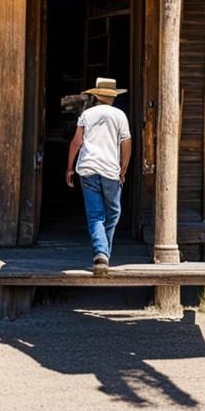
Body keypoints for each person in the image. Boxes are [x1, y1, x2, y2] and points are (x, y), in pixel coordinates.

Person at [65, 77, 131, 273]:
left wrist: (70, 167)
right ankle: (103, 253)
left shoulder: (87, 114)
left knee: (95, 216)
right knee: (113, 213)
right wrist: (123, 168)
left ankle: (102, 253)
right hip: (110, 170)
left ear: (96, 95)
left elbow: (77, 142)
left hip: (87, 168)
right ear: (112, 97)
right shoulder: (120, 115)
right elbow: (126, 143)